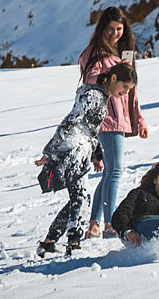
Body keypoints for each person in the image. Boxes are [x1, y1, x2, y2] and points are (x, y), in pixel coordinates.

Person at [34, 63, 138, 257]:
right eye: (125, 87)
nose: (125, 93)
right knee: (81, 198)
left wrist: (96, 155)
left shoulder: (101, 96)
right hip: (72, 149)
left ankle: (50, 243)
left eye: (128, 90)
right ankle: (73, 244)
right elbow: (72, 119)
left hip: (81, 150)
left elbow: (91, 130)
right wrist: (50, 150)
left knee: (81, 198)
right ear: (113, 78)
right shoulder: (93, 95)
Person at [79, 6, 149, 239]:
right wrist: (108, 73)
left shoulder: (123, 54)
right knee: (116, 171)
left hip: (120, 119)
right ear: (101, 29)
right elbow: (91, 84)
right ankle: (110, 223)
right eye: (110, 29)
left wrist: (139, 120)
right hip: (106, 118)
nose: (114, 33)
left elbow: (131, 91)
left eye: (119, 29)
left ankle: (94, 224)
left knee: (110, 171)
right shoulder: (94, 53)